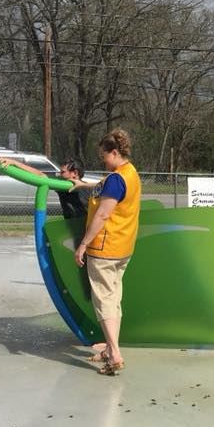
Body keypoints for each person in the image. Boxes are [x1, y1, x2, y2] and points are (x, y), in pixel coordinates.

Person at [73, 129, 141, 376]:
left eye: (105, 156)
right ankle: (111, 347)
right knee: (113, 298)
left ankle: (114, 353)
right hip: (123, 247)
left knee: (103, 301)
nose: (103, 160)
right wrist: (83, 183)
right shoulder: (129, 172)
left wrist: (83, 244)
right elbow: (105, 184)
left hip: (105, 247)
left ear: (114, 152)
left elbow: (103, 214)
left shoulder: (116, 179)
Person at [0, 156, 89, 217]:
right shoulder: (61, 185)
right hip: (71, 228)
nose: (60, 174)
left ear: (75, 173)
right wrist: (14, 163)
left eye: (63, 172)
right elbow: (41, 175)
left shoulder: (88, 189)